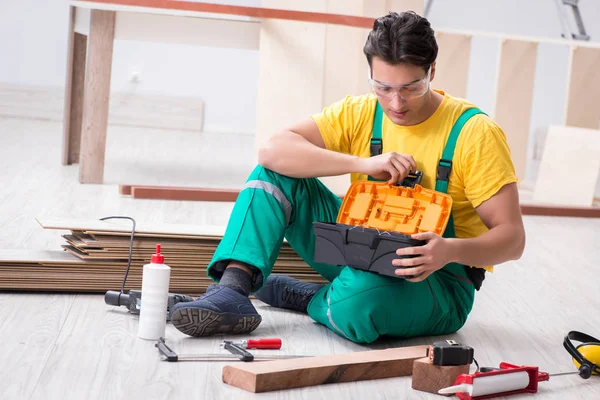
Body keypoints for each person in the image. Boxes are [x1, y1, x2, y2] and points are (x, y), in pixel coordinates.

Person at [169, 11, 526, 344]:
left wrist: (448, 250)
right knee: (273, 175)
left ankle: (314, 297)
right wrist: (365, 163)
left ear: (432, 71)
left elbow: (512, 240)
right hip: (357, 247)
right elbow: (272, 151)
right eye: (383, 87)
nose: (396, 103)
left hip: (438, 279)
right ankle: (232, 290)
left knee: (357, 308)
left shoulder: (474, 133)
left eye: (411, 88)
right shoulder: (361, 112)